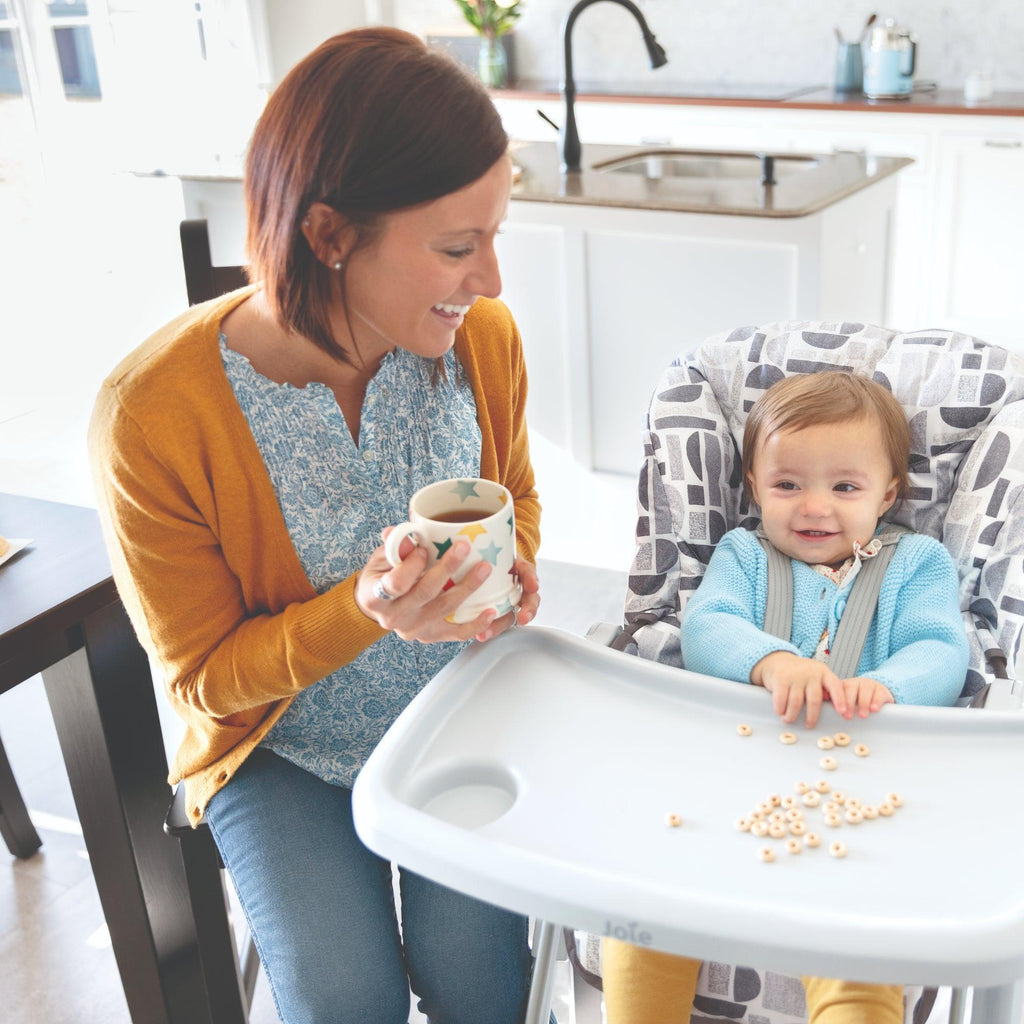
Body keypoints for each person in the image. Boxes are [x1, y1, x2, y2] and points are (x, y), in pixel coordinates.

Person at [89, 28, 546, 1024]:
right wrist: (365, 614)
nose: (493, 281)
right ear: (331, 235)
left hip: (455, 707)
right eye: (459, 248)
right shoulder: (154, 415)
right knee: (346, 999)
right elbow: (207, 678)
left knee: (484, 987)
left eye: (495, 235)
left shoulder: (480, 339)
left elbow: (517, 491)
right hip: (281, 747)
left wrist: (516, 571)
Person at [602, 370, 969, 1024]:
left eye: (845, 487)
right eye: (788, 484)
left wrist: (887, 686)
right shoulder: (742, 554)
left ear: (887, 494)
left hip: (853, 800)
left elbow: (942, 649)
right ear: (753, 487)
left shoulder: (919, 564)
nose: (814, 507)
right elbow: (708, 627)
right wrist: (770, 661)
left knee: (856, 958)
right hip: (721, 787)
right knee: (637, 919)